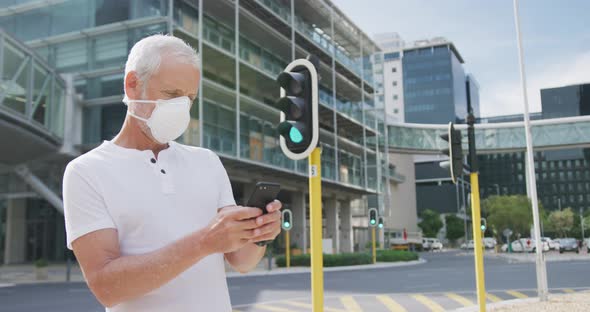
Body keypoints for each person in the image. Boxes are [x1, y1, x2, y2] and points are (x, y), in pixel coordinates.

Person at [63, 34, 282, 312]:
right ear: (133, 85)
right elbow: (107, 287)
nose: (182, 107)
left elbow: (242, 261)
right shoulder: (86, 172)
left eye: (189, 98)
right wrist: (203, 243)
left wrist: (259, 233)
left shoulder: (208, 162)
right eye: (171, 95)